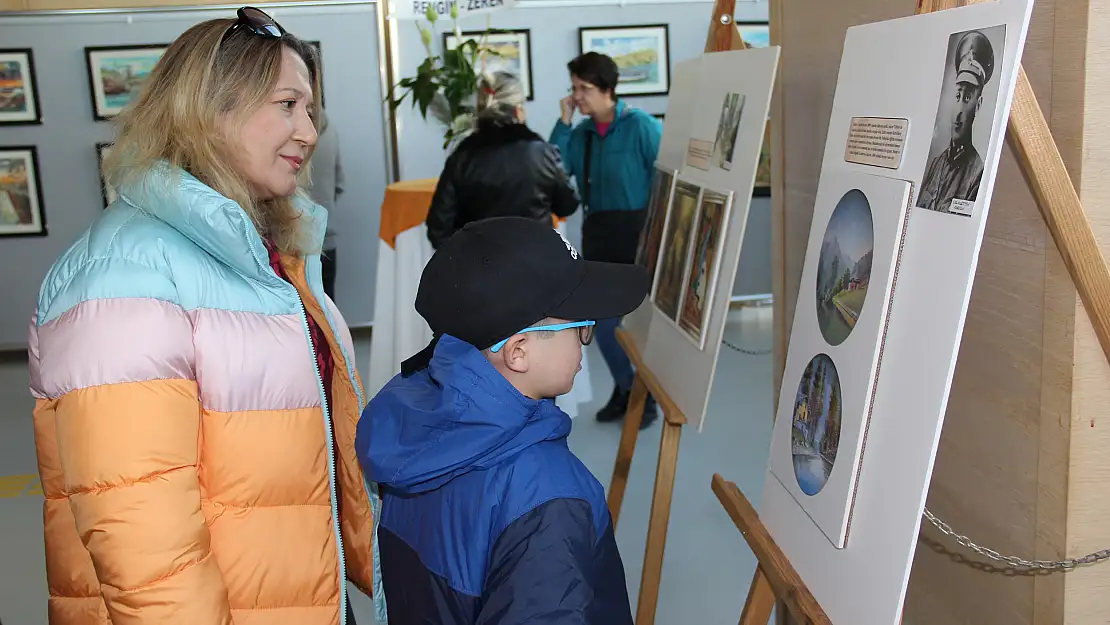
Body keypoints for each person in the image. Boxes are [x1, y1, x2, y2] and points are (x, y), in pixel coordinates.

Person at [27, 7, 382, 624]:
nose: (309, 131)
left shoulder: (265, 252)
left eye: (310, 110)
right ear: (209, 109)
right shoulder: (122, 274)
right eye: (288, 105)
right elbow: (144, 548)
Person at [356, 216, 645, 625]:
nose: (587, 341)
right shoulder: (549, 499)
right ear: (519, 351)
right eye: (582, 328)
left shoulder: (407, 429)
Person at [551, 51, 663, 428]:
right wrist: (563, 123)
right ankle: (627, 387)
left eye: (584, 88)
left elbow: (666, 179)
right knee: (602, 321)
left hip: (638, 231)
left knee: (643, 325)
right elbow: (554, 167)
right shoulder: (580, 133)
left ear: (607, 90)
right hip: (598, 229)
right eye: (574, 88)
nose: (576, 95)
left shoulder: (641, 126)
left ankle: (640, 395)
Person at [425, 71, 579, 249]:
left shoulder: (463, 157)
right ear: (519, 111)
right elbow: (568, 205)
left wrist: (462, 259)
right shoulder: (543, 153)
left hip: (481, 267)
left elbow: (438, 227)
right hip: (537, 263)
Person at [916, 29, 995, 214]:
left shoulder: (977, 174)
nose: (959, 110)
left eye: (967, 98)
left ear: (978, 104)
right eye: (958, 95)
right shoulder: (936, 164)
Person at [308, 107, 345, 299]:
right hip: (326, 238)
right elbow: (339, 184)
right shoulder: (330, 131)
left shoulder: (284, 134)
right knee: (328, 311)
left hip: (291, 241)